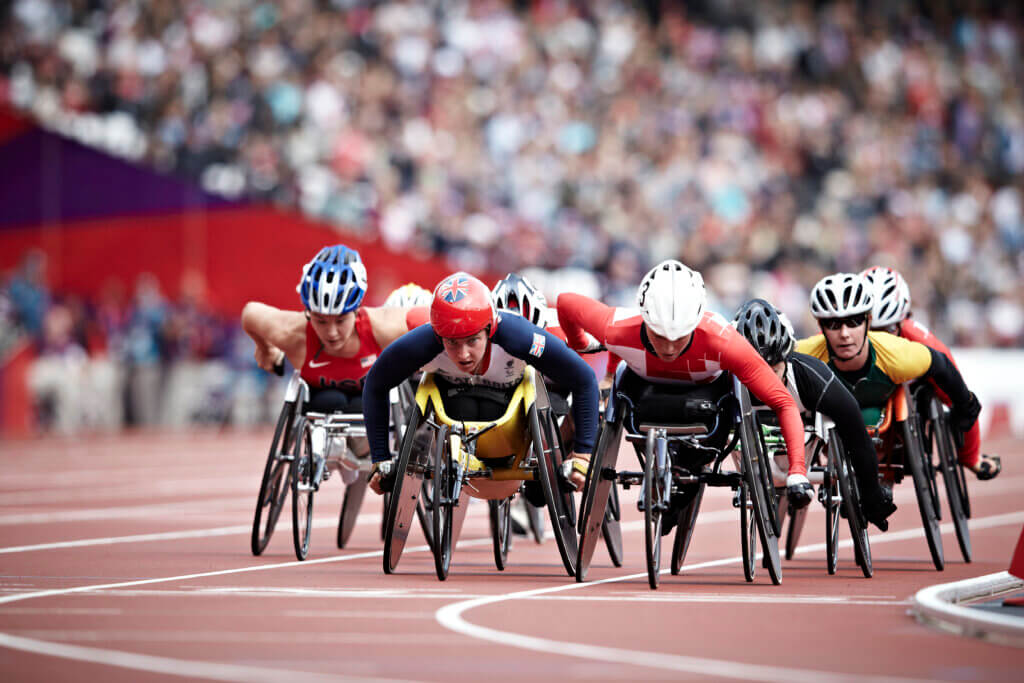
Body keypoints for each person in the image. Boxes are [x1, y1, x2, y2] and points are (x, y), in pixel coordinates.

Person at [557, 260, 813, 535]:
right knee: (596, 396)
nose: (669, 347)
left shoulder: (724, 341)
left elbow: (784, 402)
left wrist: (798, 470)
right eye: (659, 335)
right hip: (644, 396)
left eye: (679, 337)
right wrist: (580, 344)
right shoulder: (616, 327)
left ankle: (681, 486)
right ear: (644, 317)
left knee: (680, 492)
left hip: (705, 408)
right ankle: (552, 466)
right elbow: (565, 303)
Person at [363, 272, 600, 497]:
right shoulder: (423, 340)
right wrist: (380, 459)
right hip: (453, 411)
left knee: (539, 496)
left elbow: (584, 379)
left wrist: (582, 455)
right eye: (452, 343)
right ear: (438, 334)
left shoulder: (518, 335)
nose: (463, 354)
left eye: (472, 340)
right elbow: (375, 383)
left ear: (490, 329)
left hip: (512, 421)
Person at [241, 244, 417, 481]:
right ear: (308, 313)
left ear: (356, 311)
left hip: (368, 407)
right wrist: (266, 350)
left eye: (341, 320)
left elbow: (431, 321)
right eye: (321, 321)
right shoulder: (293, 333)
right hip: (320, 403)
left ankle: (356, 452)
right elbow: (250, 314)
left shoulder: (382, 326)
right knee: (331, 400)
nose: (331, 332)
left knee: (368, 408)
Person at [796, 273, 983, 482]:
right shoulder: (808, 350)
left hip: (890, 382)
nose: (846, 334)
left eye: (854, 322)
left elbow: (952, 382)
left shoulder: (904, 349)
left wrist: (970, 456)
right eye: (834, 324)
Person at [733, 299, 897, 530]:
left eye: (774, 369)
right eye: (757, 370)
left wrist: (871, 493)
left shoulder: (810, 374)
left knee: (852, 424)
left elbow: (855, 430)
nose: (766, 381)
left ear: (787, 358)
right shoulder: (724, 375)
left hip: (804, 421)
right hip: (754, 431)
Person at [861, 266, 1000, 480]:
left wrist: (970, 457)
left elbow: (959, 391)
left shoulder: (919, 336)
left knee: (963, 401)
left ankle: (973, 458)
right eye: (872, 332)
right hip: (868, 384)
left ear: (902, 319)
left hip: (913, 374)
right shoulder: (845, 336)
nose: (882, 341)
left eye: (887, 330)